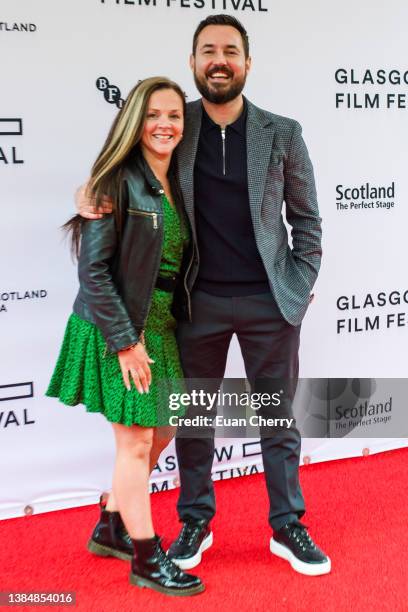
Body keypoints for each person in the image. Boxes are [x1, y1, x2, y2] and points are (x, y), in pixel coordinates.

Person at [76, 15, 331, 577]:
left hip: (270, 302)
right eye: (208, 51)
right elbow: (124, 167)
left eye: (231, 51)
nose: (220, 60)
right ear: (192, 63)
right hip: (194, 304)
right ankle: (194, 520)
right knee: (192, 419)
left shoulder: (282, 132)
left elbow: (307, 220)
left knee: (277, 416)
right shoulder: (174, 124)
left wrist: (300, 282)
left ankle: (287, 524)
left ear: (247, 62)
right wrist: (91, 189)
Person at [46, 76, 204, 596]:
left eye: (175, 115)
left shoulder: (178, 178)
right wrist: (124, 341)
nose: (165, 124)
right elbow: (94, 272)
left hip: (159, 323)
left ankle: (112, 523)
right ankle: (145, 556)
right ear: (135, 122)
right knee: (135, 443)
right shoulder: (115, 182)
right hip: (118, 324)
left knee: (163, 430)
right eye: (154, 114)